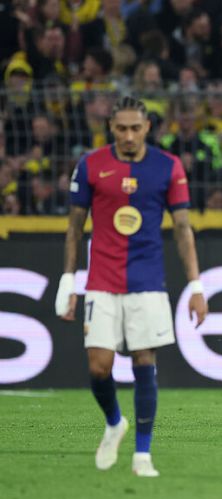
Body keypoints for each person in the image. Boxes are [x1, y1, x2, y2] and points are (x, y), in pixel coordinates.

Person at [55, 96, 208, 477]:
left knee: (144, 362)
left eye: (135, 128)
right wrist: (67, 280)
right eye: (121, 128)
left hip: (147, 282)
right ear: (111, 127)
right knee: (99, 368)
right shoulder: (91, 164)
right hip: (101, 280)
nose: (128, 136)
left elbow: (183, 229)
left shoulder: (167, 166)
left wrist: (196, 285)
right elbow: (74, 227)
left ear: (147, 128)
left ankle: (142, 455)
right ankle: (113, 422)